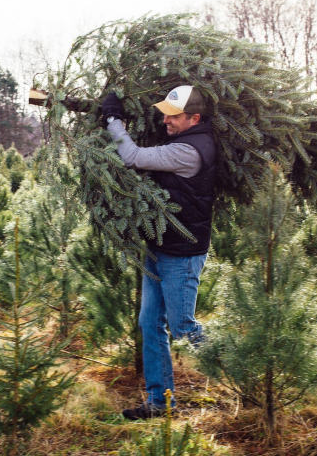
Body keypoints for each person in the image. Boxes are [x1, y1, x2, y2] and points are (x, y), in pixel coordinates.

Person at [101, 85, 217, 420]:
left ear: (194, 118)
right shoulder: (181, 138)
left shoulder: (190, 151)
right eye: (164, 112)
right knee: (150, 323)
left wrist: (113, 120)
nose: (165, 119)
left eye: (174, 115)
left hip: (181, 253)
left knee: (183, 327)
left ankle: (242, 366)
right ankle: (160, 402)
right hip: (160, 245)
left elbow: (134, 157)